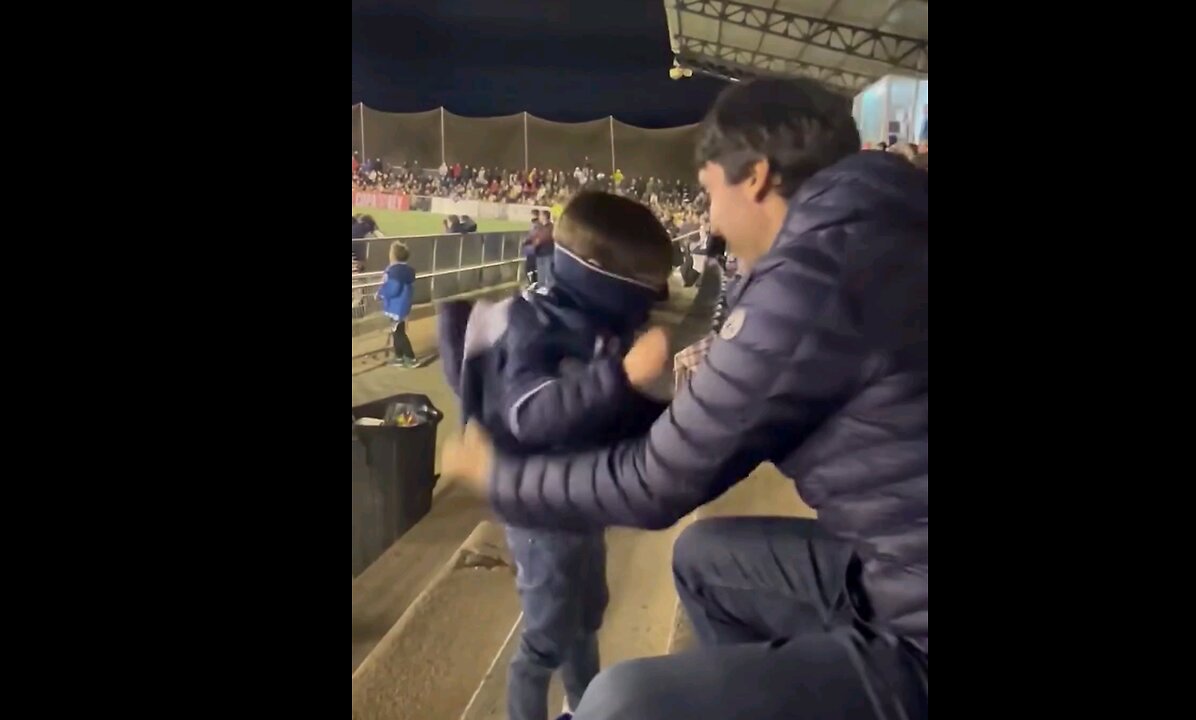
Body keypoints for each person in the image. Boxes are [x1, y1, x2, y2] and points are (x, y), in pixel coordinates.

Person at [442, 77, 928, 720]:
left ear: (755, 177)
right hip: (894, 571)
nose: (712, 223)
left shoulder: (816, 275)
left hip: (913, 622)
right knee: (705, 559)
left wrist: (498, 477)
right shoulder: (882, 225)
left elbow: (654, 483)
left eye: (708, 194)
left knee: (622, 701)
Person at [436, 191, 675, 720]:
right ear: (600, 277)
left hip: (578, 502)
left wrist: (662, 402)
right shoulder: (534, 325)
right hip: (537, 511)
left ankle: (582, 705)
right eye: (647, 281)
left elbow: (611, 414)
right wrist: (622, 376)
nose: (655, 295)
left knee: (587, 616)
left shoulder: (598, 327)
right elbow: (532, 414)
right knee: (544, 637)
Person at [377, 240, 417, 368]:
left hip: (396, 306)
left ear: (393, 255)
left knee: (399, 333)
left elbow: (393, 288)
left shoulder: (394, 271)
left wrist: (381, 294)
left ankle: (410, 358)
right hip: (402, 305)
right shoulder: (406, 270)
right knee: (397, 332)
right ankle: (399, 357)